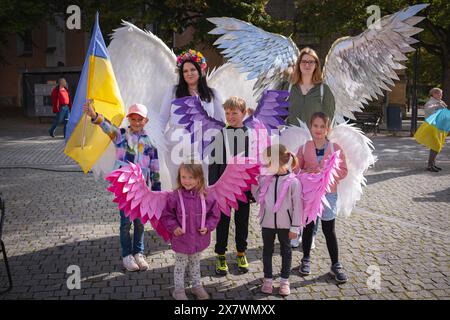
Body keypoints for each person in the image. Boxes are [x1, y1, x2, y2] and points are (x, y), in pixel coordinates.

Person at [84, 102, 161, 272]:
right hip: (125, 189)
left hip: (142, 190)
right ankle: (127, 255)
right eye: (133, 118)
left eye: (140, 119)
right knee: (126, 223)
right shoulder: (121, 136)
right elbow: (108, 128)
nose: (136, 122)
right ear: (129, 119)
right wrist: (95, 116)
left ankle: (139, 253)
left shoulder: (150, 144)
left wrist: (156, 192)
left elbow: (155, 169)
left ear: (146, 120)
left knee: (140, 223)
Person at [295, 112, 348, 283]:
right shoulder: (304, 147)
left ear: (327, 129)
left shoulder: (335, 148)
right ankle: (306, 259)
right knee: (309, 227)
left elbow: (343, 170)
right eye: (315, 126)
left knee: (328, 229)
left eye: (322, 126)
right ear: (311, 127)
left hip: (328, 195)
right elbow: (295, 168)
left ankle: (335, 264)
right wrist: (306, 172)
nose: (318, 129)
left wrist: (327, 174)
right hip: (309, 195)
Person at [159, 49, 225, 187]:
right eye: (185, 71)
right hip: (176, 144)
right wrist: (157, 141)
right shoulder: (173, 91)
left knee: (202, 183)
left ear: (200, 70)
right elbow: (162, 118)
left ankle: (202, 209)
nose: (189, 73)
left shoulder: (212, 94)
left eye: (192, 69)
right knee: (178, 183)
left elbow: (221, 122)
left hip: (204, 145)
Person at [160, 162, 220, 300]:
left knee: (195, 263)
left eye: (191, 177)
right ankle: (179, 290)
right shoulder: (175, 196)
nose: (186, 181)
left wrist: (208, 226)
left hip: (199, 239)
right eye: (183, 177)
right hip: (182, 240)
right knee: (180, 266)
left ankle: (196, 286)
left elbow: (214, 214)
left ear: (199, 178)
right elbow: (167, 215)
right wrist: (174, 227)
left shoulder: (207, 195)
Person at [208, 96, 253, 275]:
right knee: (222, 223)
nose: (231, 116)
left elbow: (253, 164)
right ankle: (220, 254)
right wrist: (214, 188)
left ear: (243, 113)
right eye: (227, 113)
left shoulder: (249, 134)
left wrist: (251, 189)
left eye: (235, 113)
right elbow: (214, 164)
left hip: (243, 189)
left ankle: (241, 252)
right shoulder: (221, 134)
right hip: (224, 190)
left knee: (242, 222)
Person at [252, 144, 302, 296]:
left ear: (279, 161)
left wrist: (295, 228)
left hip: (286, 225)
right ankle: (267, 279)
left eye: (268, 162)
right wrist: (254, 184)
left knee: (286, 252)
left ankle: (284, 281)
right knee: (267, 251)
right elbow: (258, 197)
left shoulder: (293, 182)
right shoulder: (265, 179)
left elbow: (298, 206)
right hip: (267, 223)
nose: (265, 165)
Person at [284, 47, 335, 126]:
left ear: (316, 65)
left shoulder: (324, 90)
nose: (307, 65)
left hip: (314, 138)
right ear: (298, 64)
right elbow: (279, 115)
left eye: (311, 62)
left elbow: (328, 121)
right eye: (304, 61)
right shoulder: (289, 87)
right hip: (291, 136)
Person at [423, 88, 448, 172]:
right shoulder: (430, 102)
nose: (441, 96)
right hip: (433, 127)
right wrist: (438, 106)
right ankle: (430, 165)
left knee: (437, 146)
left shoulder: (439, 102)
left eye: (441, 94)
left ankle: (432, 164)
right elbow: (429, 109)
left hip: (439, 126)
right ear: (434, 94)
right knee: (435, 145)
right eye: (440, 94)